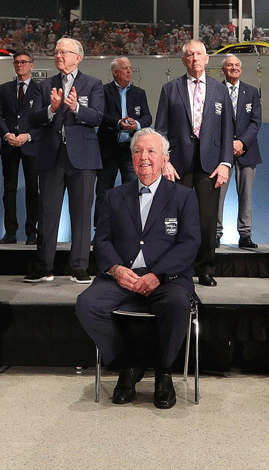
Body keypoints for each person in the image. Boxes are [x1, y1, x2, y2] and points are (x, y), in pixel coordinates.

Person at [77, 129, 200, 409]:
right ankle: (127, 367)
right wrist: (116, 269)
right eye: (137, 151)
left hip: (166, 279)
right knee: (86, 304)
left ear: (164, 159)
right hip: (123, 279)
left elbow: (189, 244)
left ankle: (164, 372)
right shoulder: (114, 195)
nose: (143, 157)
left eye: (151, 151)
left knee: (178, 304)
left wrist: (158, 275)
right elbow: (102, 239)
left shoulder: (183, 197)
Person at [25, 37, 105, 284]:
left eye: (64, 52)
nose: (59, 56)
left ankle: (79, 267)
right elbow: (33, 119)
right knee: (47, 214)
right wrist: (51, 108)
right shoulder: (44, 85)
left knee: (81, 214)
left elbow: (97, 117)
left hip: (83, 158)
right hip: (52, 156)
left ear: (77, 57)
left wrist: (76, 109)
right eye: (57, 52)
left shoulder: (93, 84)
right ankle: (44, 266)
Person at [153, 39, 233, 286]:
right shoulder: (170, 89)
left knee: (207, 221)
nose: (195, 58)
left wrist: (225, 163)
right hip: (177, 165)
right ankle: (176, 268)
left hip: (210, 165)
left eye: (199, 54)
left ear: (207, 58)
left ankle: (206, 269)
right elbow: (161, 129)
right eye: (190, 55)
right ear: (183, 60)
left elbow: (227, 130)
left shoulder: (220, 90)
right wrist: (163, 161)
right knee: (175, 220)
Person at [0, 52, 41, 245]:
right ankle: (10, 232)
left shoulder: (40, 89)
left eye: (23, 62)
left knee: (32, 188)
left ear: (31, 65)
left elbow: (44, 118)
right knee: (9, 189)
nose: (20, 65)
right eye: (17, 62)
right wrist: (7, 135)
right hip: (9, 145)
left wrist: (28, 136)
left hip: (31, 146)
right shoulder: (4, 89)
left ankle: (32, 233)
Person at [216, 54, 261, 249]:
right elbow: (212, 123)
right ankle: (215, 233)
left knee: (246, 196)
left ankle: (245, 235)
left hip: (247, 151)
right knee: (217, 195)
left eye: (236, 65)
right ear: (223, 70)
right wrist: (229, 144)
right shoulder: (215, 90)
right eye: (229, 65)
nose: (234, 68)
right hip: (220, 153)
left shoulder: (251, 92)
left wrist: (242, 142)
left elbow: (256, 121)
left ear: (240, 70)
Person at [97, 56, 152, 211]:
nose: (129, 71)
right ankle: (101, 232)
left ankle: (131, 230)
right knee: (103, 192)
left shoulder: (139, 93)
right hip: (108, 149)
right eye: (125, 68)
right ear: (115, 72)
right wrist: (117, 123)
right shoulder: (103, 91)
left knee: (133, 192)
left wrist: (137, 124)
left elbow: (148, 117)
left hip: (131, 150)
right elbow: (99, 115)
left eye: (130, 68)